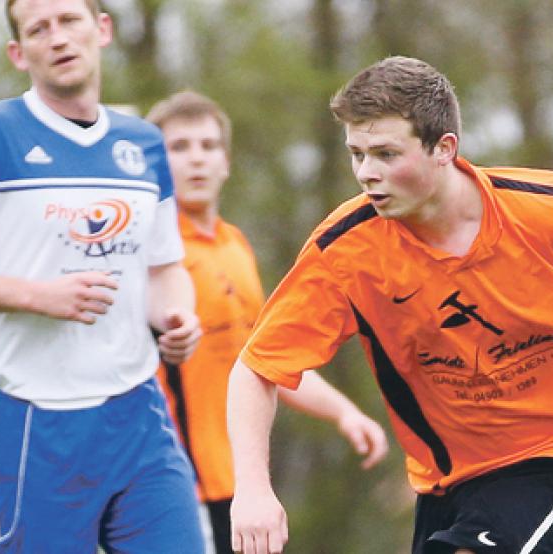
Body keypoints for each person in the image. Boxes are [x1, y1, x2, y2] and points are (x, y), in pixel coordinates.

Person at [226, 56, 553, 554]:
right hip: (449, 480)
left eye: (387, 154)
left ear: (444, 148)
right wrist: (253, 489)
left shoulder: (544, 209)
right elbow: (256, 369)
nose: (367, 173)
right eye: (357, 154)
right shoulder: (345, 251)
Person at [0, 1, 206, 552]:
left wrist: (177, 317)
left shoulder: (144, 145)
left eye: (69, 21)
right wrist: (36, 296)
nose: (57, 37)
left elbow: (164, 267)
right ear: (19, 53)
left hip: (137, 413)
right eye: (38, 29)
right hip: (29, 423)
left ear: (101, 29)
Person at [145, 90, 389, 554]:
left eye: (208, 145)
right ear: (154, 164)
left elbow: (263, 360)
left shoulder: (235, 244)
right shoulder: (153, 257)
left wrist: (343, 412)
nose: (196, 159)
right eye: (178, 147)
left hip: (239, 482)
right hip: (173, 486)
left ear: (227, 162)